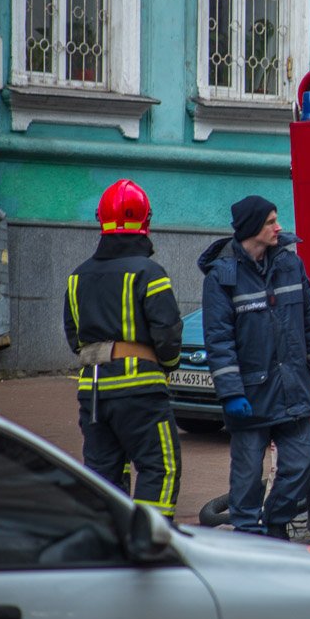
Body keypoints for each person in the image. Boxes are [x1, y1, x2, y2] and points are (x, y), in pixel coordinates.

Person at [199, 195, 310, 539]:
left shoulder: (290, 265)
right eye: (271, 221)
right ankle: (248, 533)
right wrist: (230, 393)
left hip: (292, 388)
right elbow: (219, 340)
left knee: (304, 463)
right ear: (251, 229)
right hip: (250, 394)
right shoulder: (222, 277)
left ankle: (276, 520)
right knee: (245, 476)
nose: (279, 227)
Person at [63, 179, 183, 518]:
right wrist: (167, 363)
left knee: (104, 474)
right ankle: (150, 542)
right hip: (140, 390)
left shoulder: (77, 276)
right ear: (145, 221)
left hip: (93, 391)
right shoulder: (149, 272)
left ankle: (110, 545)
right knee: (161, 467)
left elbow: (74, 337)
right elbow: (168, 333)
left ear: (102, 220)